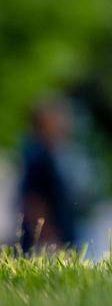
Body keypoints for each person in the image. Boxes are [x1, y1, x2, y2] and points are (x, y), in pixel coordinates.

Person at [15, 98, 80, 254]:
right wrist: (49, 238)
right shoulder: (37, 155)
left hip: (57, 237)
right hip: (46, 243)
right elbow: (33, 201)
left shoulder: (50, 154)